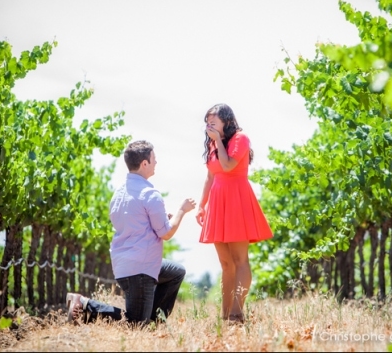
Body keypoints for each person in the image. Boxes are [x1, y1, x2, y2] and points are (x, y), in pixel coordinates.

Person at [66, 140, 196, 325]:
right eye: (154, 159)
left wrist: (159, 217)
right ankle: (85, 304)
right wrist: (182, 210)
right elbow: (166, 233)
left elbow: (135, 221)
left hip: (124, 264)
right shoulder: (150, 194)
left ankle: (155, 321)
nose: (156, 163)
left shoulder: (119, 193)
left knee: (176, 272)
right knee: (135, 323)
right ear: (145, 163)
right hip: (141, 267)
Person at [196, 103, 273, 324]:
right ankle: (225, 315)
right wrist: (202, 205)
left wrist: (218, 141)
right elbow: (210, 177)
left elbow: (228, 166)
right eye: (207, 122)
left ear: (227, 122)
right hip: (218, 203)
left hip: (237, 200)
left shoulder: (240, 138)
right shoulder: (212, 144)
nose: (209, 126)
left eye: (213, 122)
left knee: (240, 259)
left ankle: (237, 314)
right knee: (225, 263)